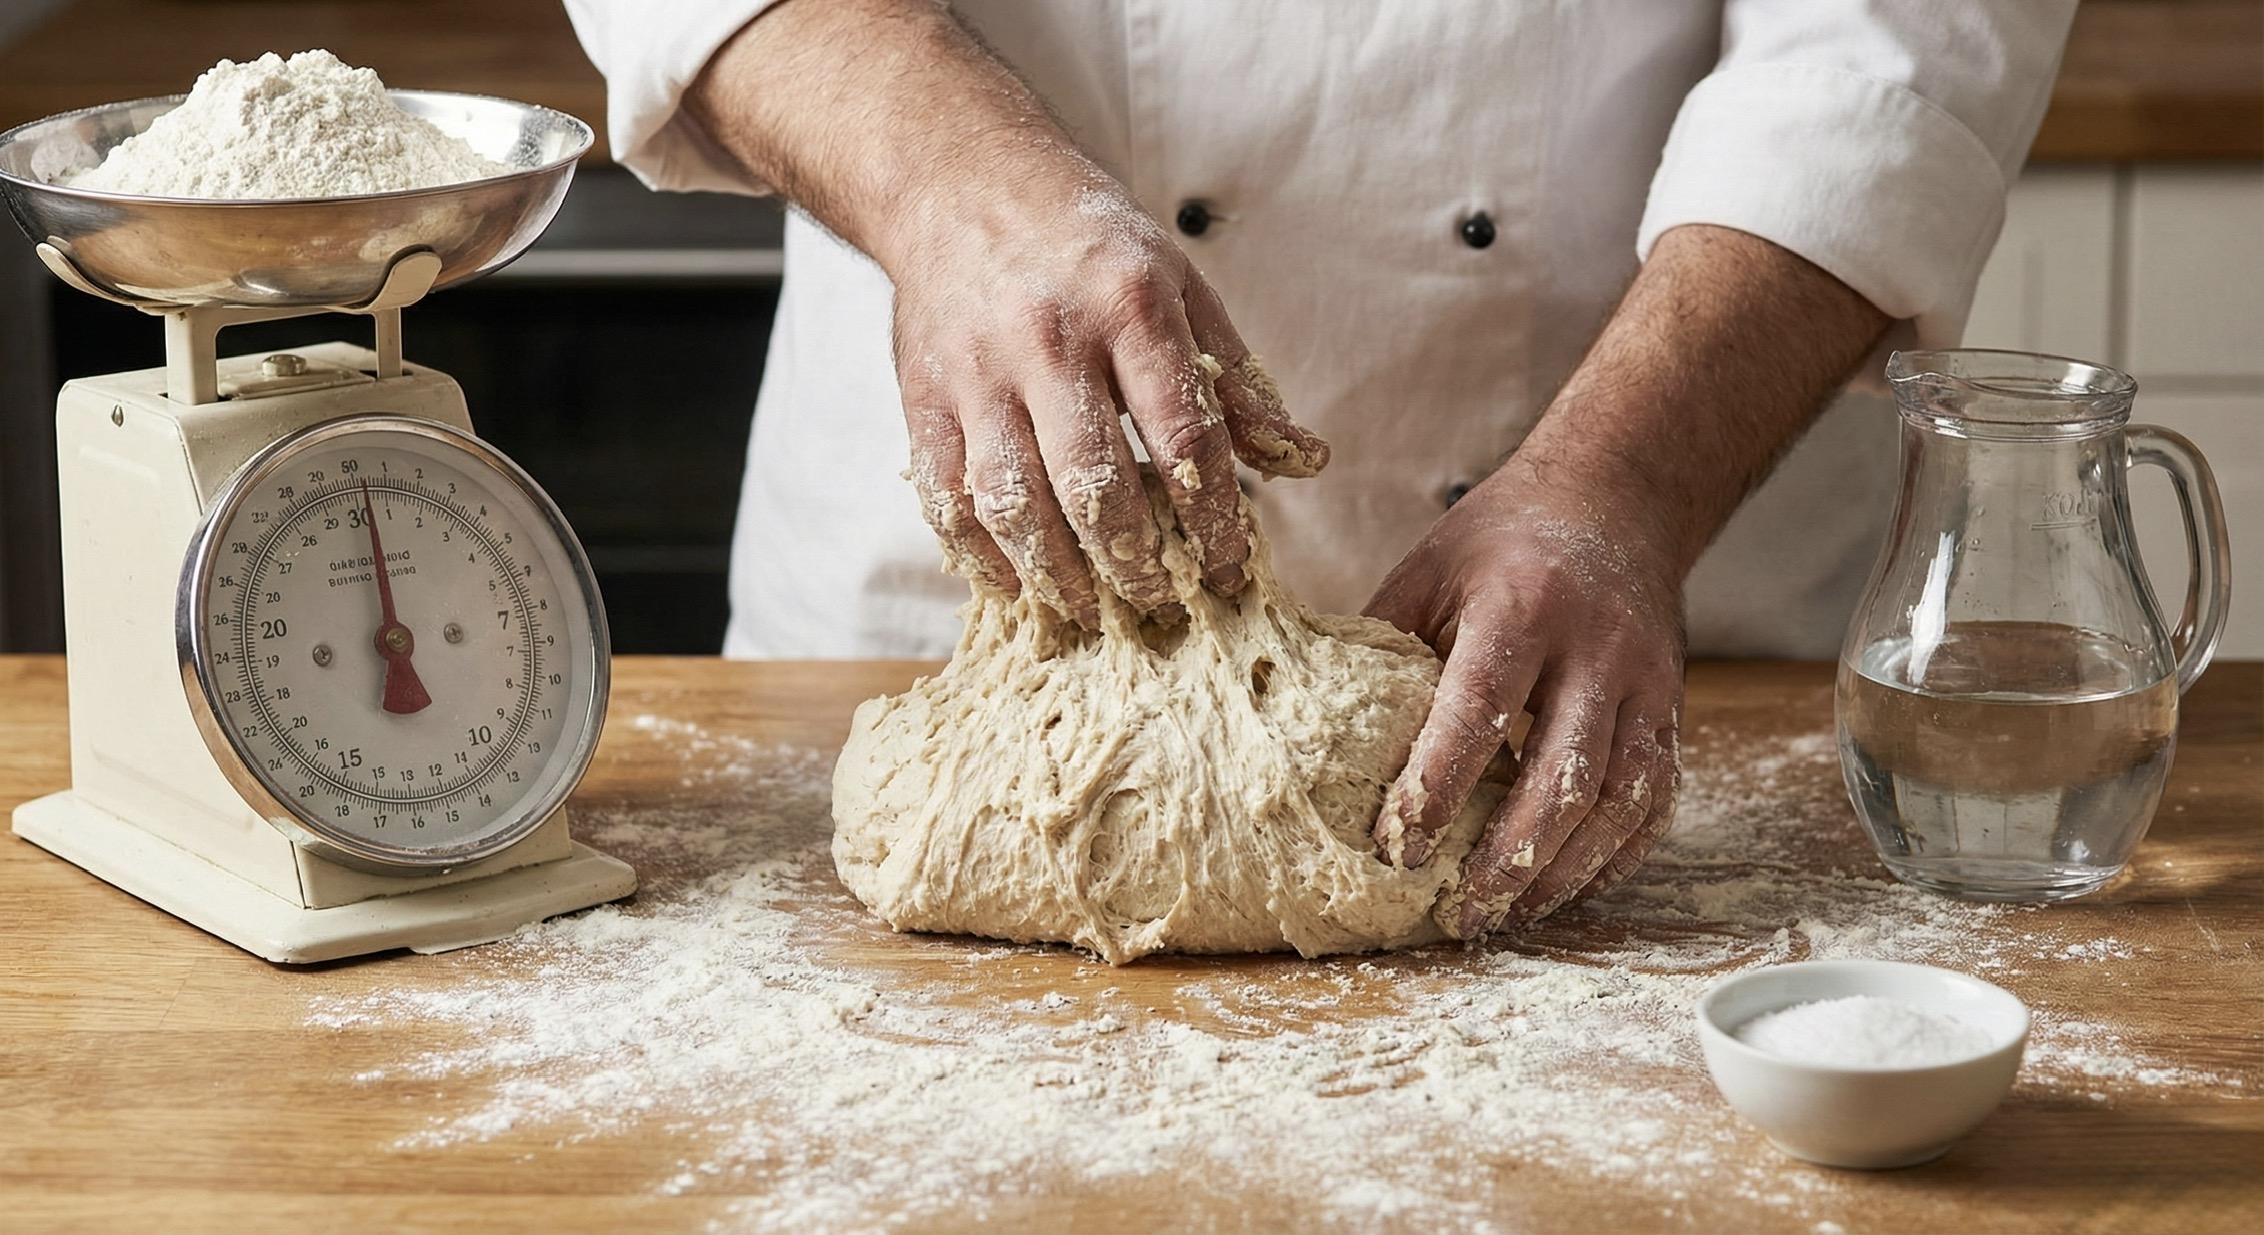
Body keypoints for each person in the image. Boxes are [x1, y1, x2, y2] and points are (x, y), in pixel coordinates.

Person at [564, 0, 2077, 936]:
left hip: (1647, 583)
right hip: (959, 570)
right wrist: (949, 184)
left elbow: (1893, 49)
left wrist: (1623, 489)